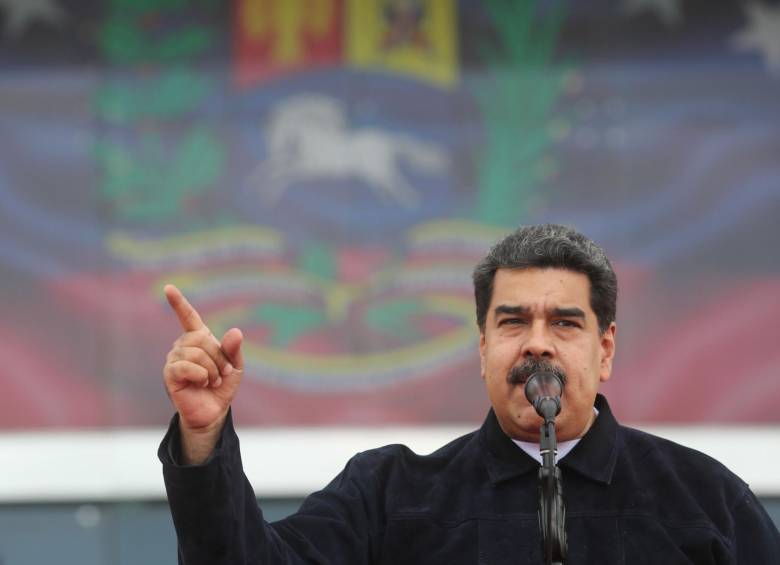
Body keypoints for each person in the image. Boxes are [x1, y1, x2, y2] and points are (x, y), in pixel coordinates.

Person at [158, 224, 780, 564]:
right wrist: (204, 435)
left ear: (606, 348)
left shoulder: (704, 500)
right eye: (513, 322)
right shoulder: (388, 496)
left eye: (565, 323)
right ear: (483, 348)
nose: (538, 345)